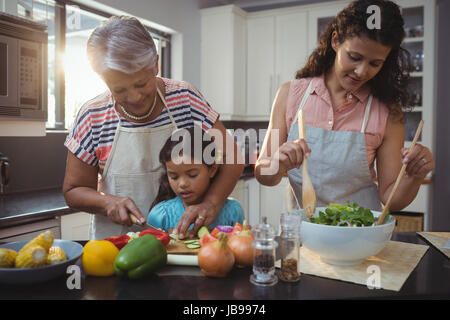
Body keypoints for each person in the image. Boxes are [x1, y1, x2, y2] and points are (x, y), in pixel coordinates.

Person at [62, 16, 243, 240]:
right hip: (116, 246)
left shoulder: (184, 98)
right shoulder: (92, 115)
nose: (135, 97)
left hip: (182, 242)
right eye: (119, 89)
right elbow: (73, 191)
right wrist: (108, 202)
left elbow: (233, 157)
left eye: (141, 83)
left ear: (155, 65)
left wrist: (211, 204)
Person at [255, 0, 435, 212]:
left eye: (375, 63)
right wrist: (277, 163)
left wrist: (414, 176)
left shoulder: (387, 112)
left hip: (359, 236)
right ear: (335, 40)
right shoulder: (290, 94)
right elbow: (263, 172)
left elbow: (390, 197)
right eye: (354, 57)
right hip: (303, 236)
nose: (361, 71)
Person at [147, 126, 245, 233]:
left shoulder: (233, 211)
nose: (183, 184)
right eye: (174, 177)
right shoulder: (160, 215)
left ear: (212, 170)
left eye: (192, 175)